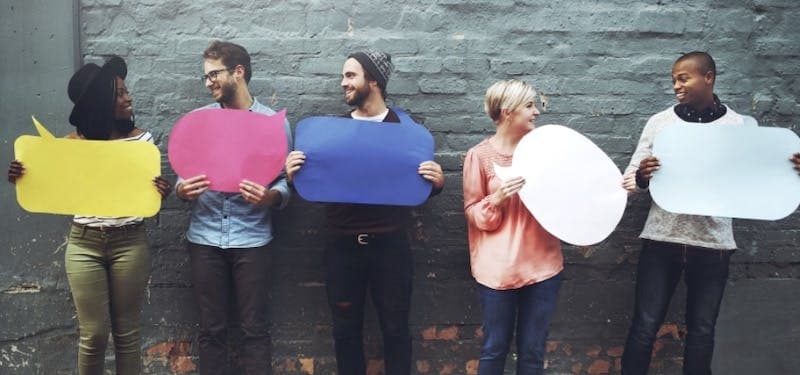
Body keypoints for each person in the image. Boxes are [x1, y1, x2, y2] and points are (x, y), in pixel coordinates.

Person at [620, 51, 800, 375]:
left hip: (714, 246)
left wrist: (790, 171)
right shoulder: (661, 123)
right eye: (673, 79)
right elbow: (629, 181)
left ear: (708, 77)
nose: (676, 85)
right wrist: (644, 176)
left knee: (702, 331)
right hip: (662, 241)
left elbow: (754, 183)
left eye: (683, 78)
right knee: (645, 326)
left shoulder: (739, 127)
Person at [7, 56, 171, 375]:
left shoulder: (142, 141)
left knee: (127, 334)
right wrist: (23, 175)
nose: (129, 97)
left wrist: (158, 190)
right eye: (120, 93)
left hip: (130, 242)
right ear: (102, 102)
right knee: (93, 335)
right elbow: (47, 184)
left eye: (126, 92)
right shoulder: (71, 146)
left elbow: (144, 192)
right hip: (84, 244)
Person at [284, 50, 445, 375]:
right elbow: (314, 183)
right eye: (343, 76)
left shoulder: (406, 131)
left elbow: (413, 185)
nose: (343, 83)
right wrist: (293, 174)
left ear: (374, 80)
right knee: (345, 332)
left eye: (350, 76)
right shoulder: (332, 132)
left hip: (391, 248)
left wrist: (436, 183)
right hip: (342, 248)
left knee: (396, 330)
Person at [174, 40, 291, 375]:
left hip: (252, 239)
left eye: (214, 74)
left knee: (255, 330)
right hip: (205, 238)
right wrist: (184, 191)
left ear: (238, 72)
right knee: (212, 332)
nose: (209, 81)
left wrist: (271, 197)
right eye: (206, 76)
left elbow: (284, 180)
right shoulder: (197, 122)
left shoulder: (273, 123)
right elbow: (182, 177)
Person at [462, 80, 563, 375]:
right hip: (497, 272)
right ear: (508, 112)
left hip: (543, 268)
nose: (537, 112)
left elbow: (566, 199)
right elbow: (474, 214)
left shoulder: (544, 152)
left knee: (533, 353)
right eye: (530, 105)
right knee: (494, 349)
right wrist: (497, 199)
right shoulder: (479, 157)